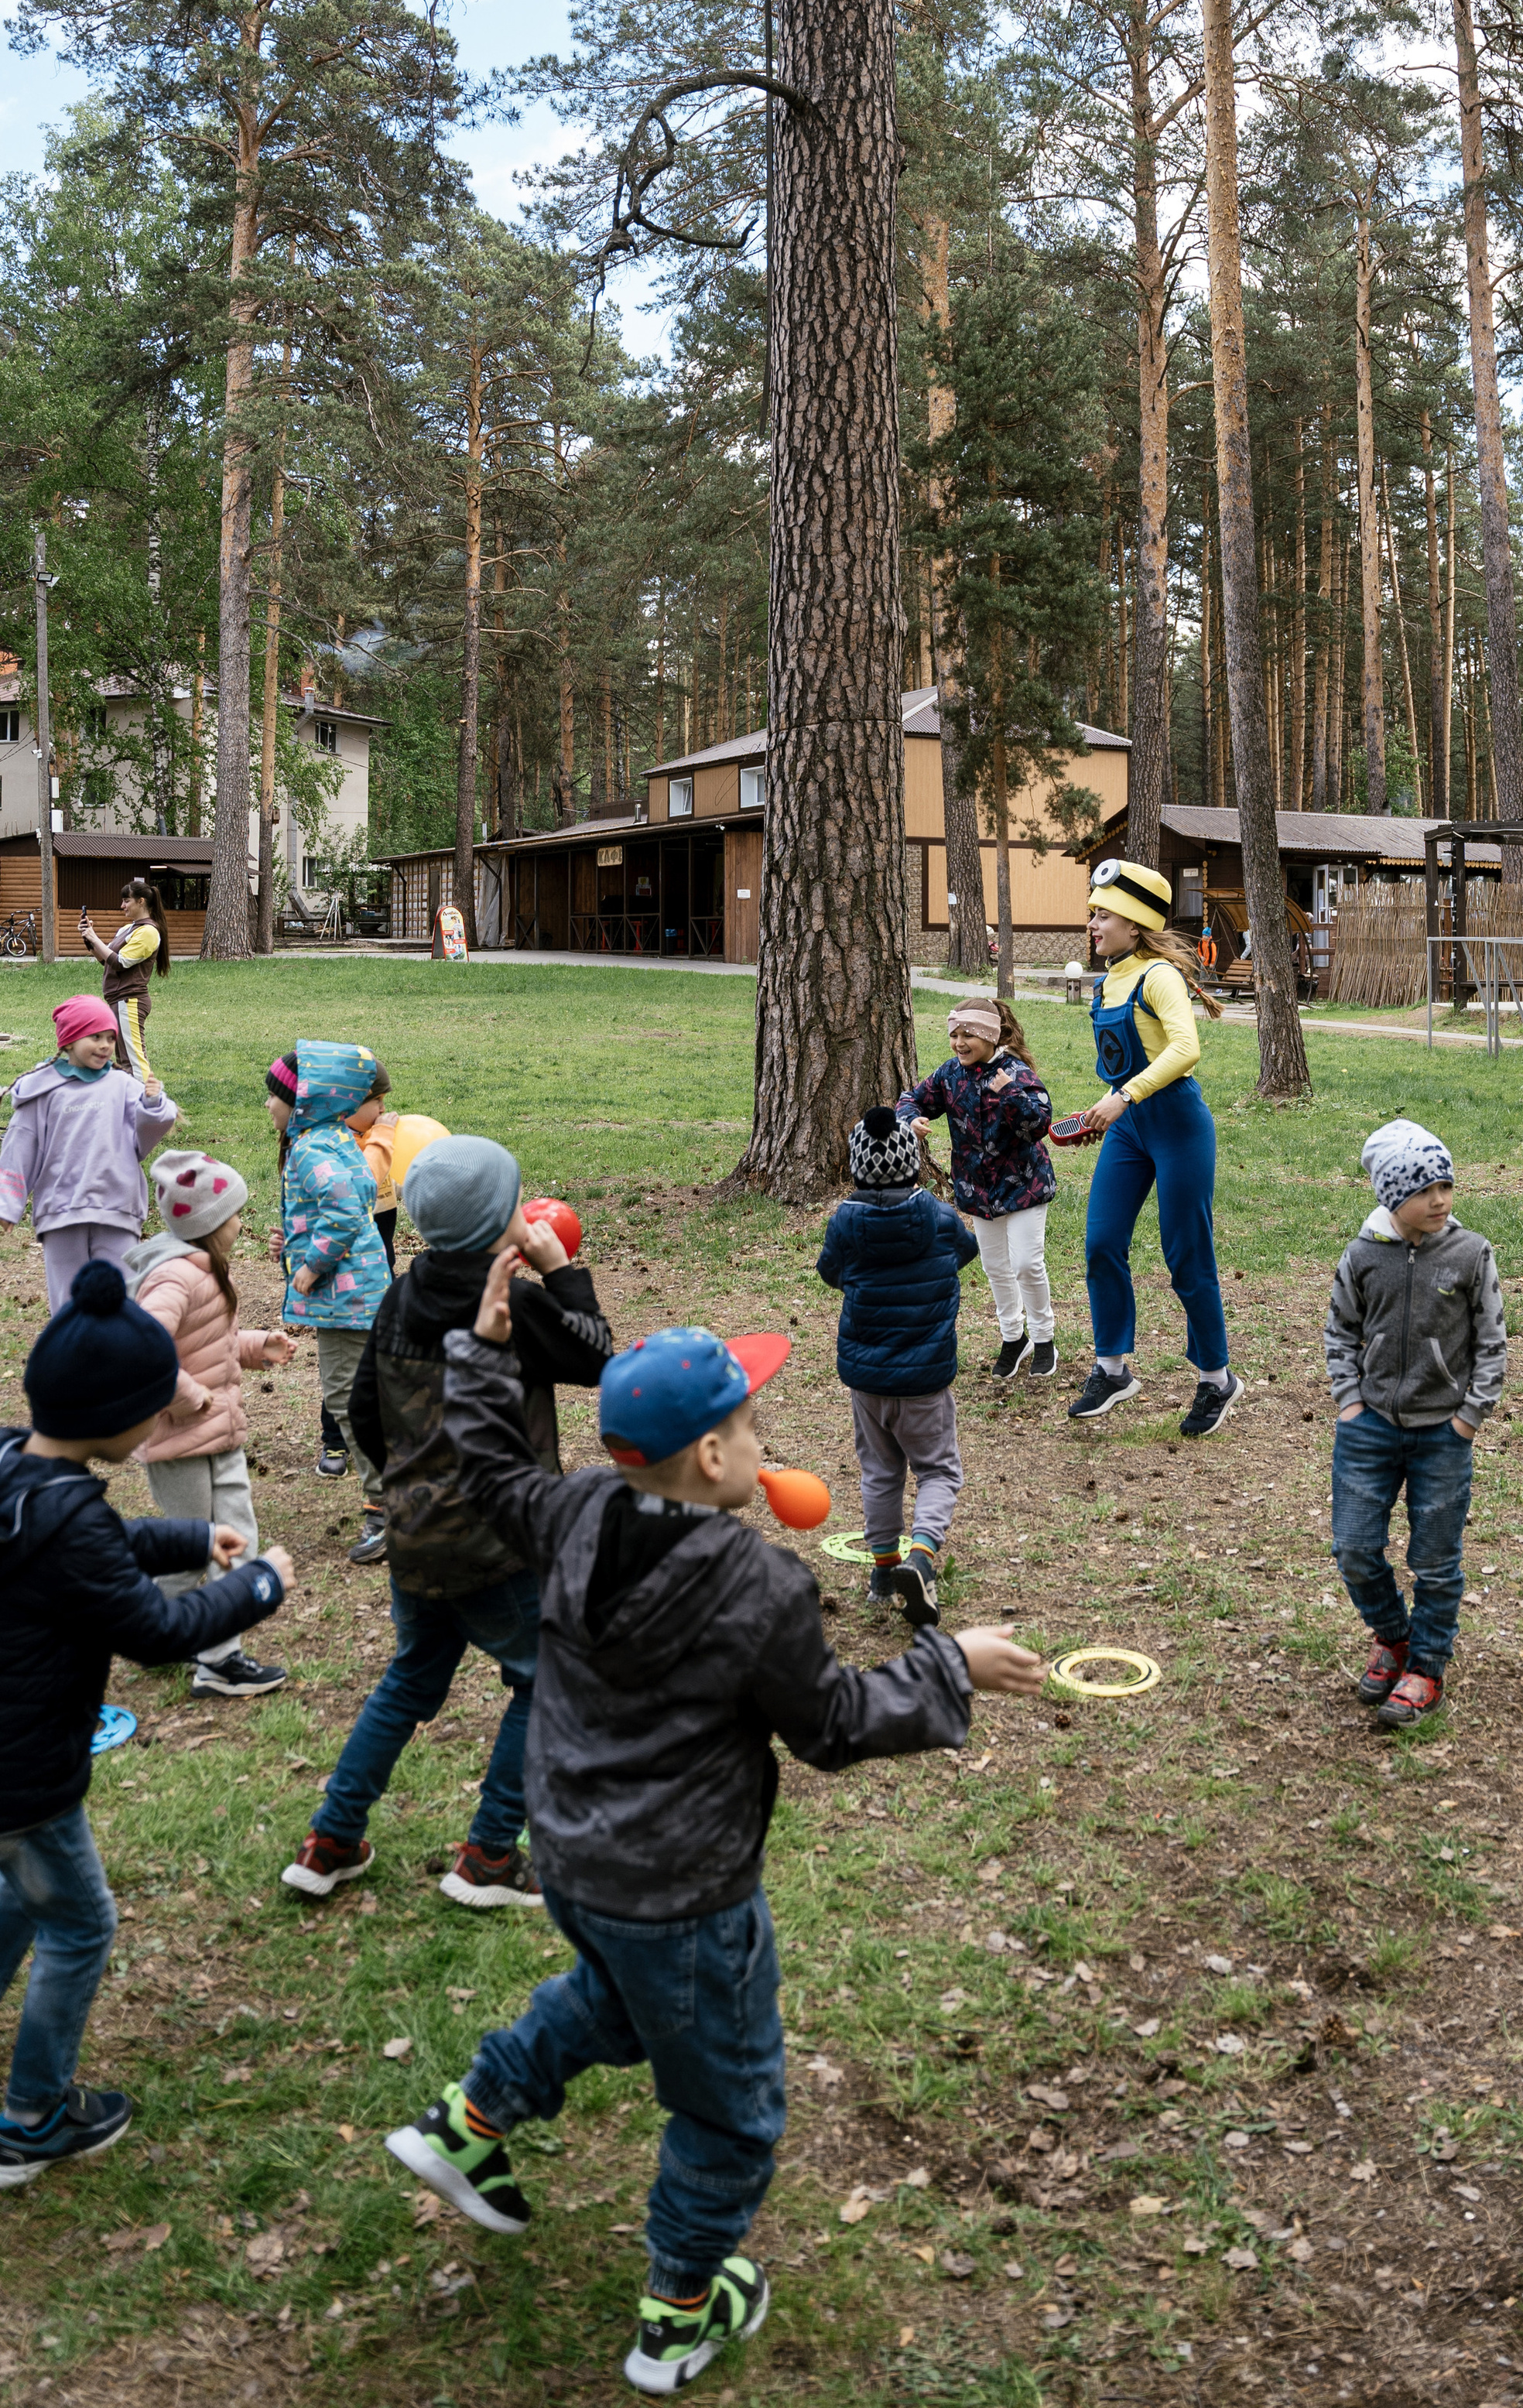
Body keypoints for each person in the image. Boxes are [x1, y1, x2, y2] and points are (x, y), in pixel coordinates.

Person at [384, 1247, 1043, 2395]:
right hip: (682, 1891)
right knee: (729, 2105)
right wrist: (950, 1665)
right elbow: (833, 1722)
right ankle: (683, 2305)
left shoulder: (579, 1508)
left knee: (612, 2002)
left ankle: (472, 2116)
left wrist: (485, 1349)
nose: (758, 1443)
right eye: (747, 1426)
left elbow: (489, 1468)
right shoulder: (759, 1587)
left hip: (573, 1852)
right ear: (709, 1456)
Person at [0, 1263, 292, 2186]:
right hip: (28, 1774)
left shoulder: (18, 1469)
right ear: (120, 1422)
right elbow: (159, 1631)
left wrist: (186, 1538)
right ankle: (30, 2119)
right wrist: (258, 1586)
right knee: (80, 1925)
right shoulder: (70, 1521)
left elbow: (100, 1551)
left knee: (15, 1898)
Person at [282, 1137, 612, 1910]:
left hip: (415, 1534)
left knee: (408, 1682)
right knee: (549, 1682)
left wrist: (407, 1487)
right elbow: (597, 1357)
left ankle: (331, 1841)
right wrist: (560, 1270)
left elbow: (364, 1410)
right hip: (502, 1543)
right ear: (507, 1219)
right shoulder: (513, 1304)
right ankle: (491, 1856)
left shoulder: (403, 1293)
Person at [1323, 1117, 1508, 1731]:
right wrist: (1350, 1403)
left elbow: (1492, 1341)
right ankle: (1394, 1638)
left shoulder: (1470, 1253)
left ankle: (1427, 1667)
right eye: (1423, 1189)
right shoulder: (1361, 1257)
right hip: (1368, 1429)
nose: (1440, 1200)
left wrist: (1468, 1418)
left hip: (1442, 1435)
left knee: (1436, 1561)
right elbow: (1339, 1332)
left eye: (1446, 1186)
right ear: (1389, 1195)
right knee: (1353, 1548)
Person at [1064, 857, 1239, 1442]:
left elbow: (1185, 1049)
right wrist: (1105, 1106)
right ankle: (1113, 1370)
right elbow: (1133, 1061)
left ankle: (1217, 1379)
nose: (1092, 923)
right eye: (1093, 912)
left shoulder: (1157, 975)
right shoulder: (1108, 980)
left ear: (1135, 924)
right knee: (1101, 1243)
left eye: (1102, 914)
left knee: (1186, 1254)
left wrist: (1124, 1097)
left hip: (1178, 1125)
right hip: (1131, 1126)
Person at [128, 1149, 297, 1698]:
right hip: (181, 1437)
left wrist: (254, 1346)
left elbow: (206, 1344)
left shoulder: (202, 1269)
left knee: (235, 1538)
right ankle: (173, 1640)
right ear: (204, 1223)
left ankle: (211, 1651)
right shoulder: (173, 1279)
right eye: (233, 1215)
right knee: (190, 1549)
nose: (241, 1223)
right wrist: (189, 1397)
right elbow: (144, 1350)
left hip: (218, 1431)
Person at [816, 1107, 979, 1628]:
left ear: (859, 1168)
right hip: (925, 1377)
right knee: (937, 1469)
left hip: (867, 1378)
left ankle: (883, 1571)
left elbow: (830, 1273)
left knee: (880, 1471)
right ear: (913, 1164)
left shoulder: (845, 1221)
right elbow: (966, 1251)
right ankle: (922, 1556)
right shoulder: (938, 1217)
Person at [265, 1043, 392, 1558]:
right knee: (371, 1397)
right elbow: (349, 1199)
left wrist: (313, 1264)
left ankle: (386, 1507)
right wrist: (292, 1244)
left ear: (303, 1103)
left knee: (347, 1401)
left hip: (346, 1300)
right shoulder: (333, 1136)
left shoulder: (312, 1147)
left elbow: (342, 1209)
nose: (268, 1106)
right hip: (362, 1292)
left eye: (275, 1097)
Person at [897, 998, 1057, 1382]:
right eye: (954, 1034)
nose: (959, 1042)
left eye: (968, 1034)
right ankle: (1012, 1337)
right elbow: (912, 1097)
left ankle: (1044, 1337)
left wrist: (1010, 1095)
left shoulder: (1015, 1072)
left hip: (1024, 1187)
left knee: (1026, 1264)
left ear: (990, 1035)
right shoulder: (950, 1074)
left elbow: (1039, 1123)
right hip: (977, 1187)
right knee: (995, 1267)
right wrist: (909, 1118)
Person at [0, 998, 179, 1310]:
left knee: (121, 1296)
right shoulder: (42, 1090)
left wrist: (153, 1107)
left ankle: (119, 1352)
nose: (106, 1045)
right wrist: (7, 1203)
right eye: (95, 1037)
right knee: (68, 1300)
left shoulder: (123, 1086)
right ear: (69, 1040)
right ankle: (70, 1352)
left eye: (110, 1038)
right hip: (61, 1211)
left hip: (116, 1208)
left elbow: (143, 1141)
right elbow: (19, 1147)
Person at [347, 1069, 450, 1274]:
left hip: (381, 1259)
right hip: (357, 1266)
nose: (383, 1109)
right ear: (351, 1104)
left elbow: (387, 1176)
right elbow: (365, 1179)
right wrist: (383, 1135)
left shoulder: (371, 1138)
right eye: (378, 1101)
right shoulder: (343, 1145)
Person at [78, 876, 170, 1089]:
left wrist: (94, 938)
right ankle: (132, 1104)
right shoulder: (128, 929)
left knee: (133, 1060)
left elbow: (120, 962)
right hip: (119, 1000)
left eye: (126, 901)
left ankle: (149, 1104)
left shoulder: (148, 932)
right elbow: (105, 959)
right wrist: (88, 938)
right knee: (123, 1058)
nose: (122, 906)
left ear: (141, 902)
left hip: (130, 1001)